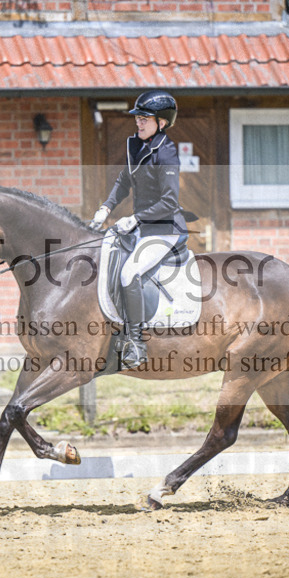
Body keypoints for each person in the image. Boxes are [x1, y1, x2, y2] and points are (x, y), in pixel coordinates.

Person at [88, 90, 187, 369]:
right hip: (142, 228)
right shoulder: (137, 146)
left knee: (130, 272)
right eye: (138, 118)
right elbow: (123, 181)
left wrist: (135, 219)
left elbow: (169, 202)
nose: (139, 123)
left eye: (145, 119)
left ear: (162, 123)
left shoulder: (166, 154)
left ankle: (135, 343)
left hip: (164, 230)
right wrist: (106, 208)